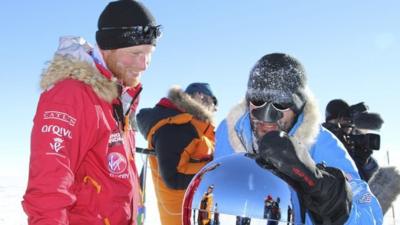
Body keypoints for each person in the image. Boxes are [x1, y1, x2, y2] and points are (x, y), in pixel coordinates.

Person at [22, 1, 161, 224]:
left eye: (149, 53)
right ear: (107, 48)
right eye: (135, 53)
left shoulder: (119, 99)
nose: (144, 64)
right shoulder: (70, 95)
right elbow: (48, 189)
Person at [215, 53, 383, 224]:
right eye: (258, 101)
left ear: (298, 106)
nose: (266, 116)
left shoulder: (323, 144)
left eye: (280, 104)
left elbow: (368, 215)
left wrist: (328, 195)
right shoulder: (229, 132)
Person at [136, 83, 217, 225]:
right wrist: (214, 171)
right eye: (214, 102)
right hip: (181, 217)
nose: (215, 108)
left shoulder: (193, 129)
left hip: (193, 213)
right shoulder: (177, 126)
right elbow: (173, 177)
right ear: (200, 96)